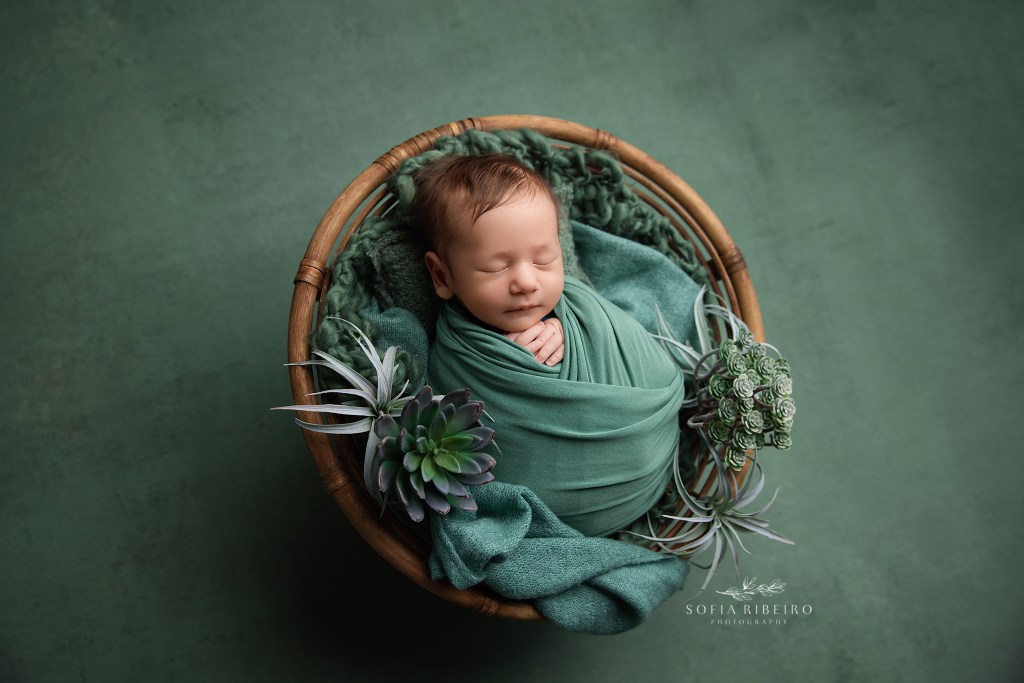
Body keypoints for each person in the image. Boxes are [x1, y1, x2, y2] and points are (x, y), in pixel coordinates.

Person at [412, 153, 566, 367]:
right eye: (496, 268)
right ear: (442, 277)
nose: (526, 283)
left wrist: (567, 331)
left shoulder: (577, 311)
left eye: (543, 259)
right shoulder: (454, 356)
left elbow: (611, 329)